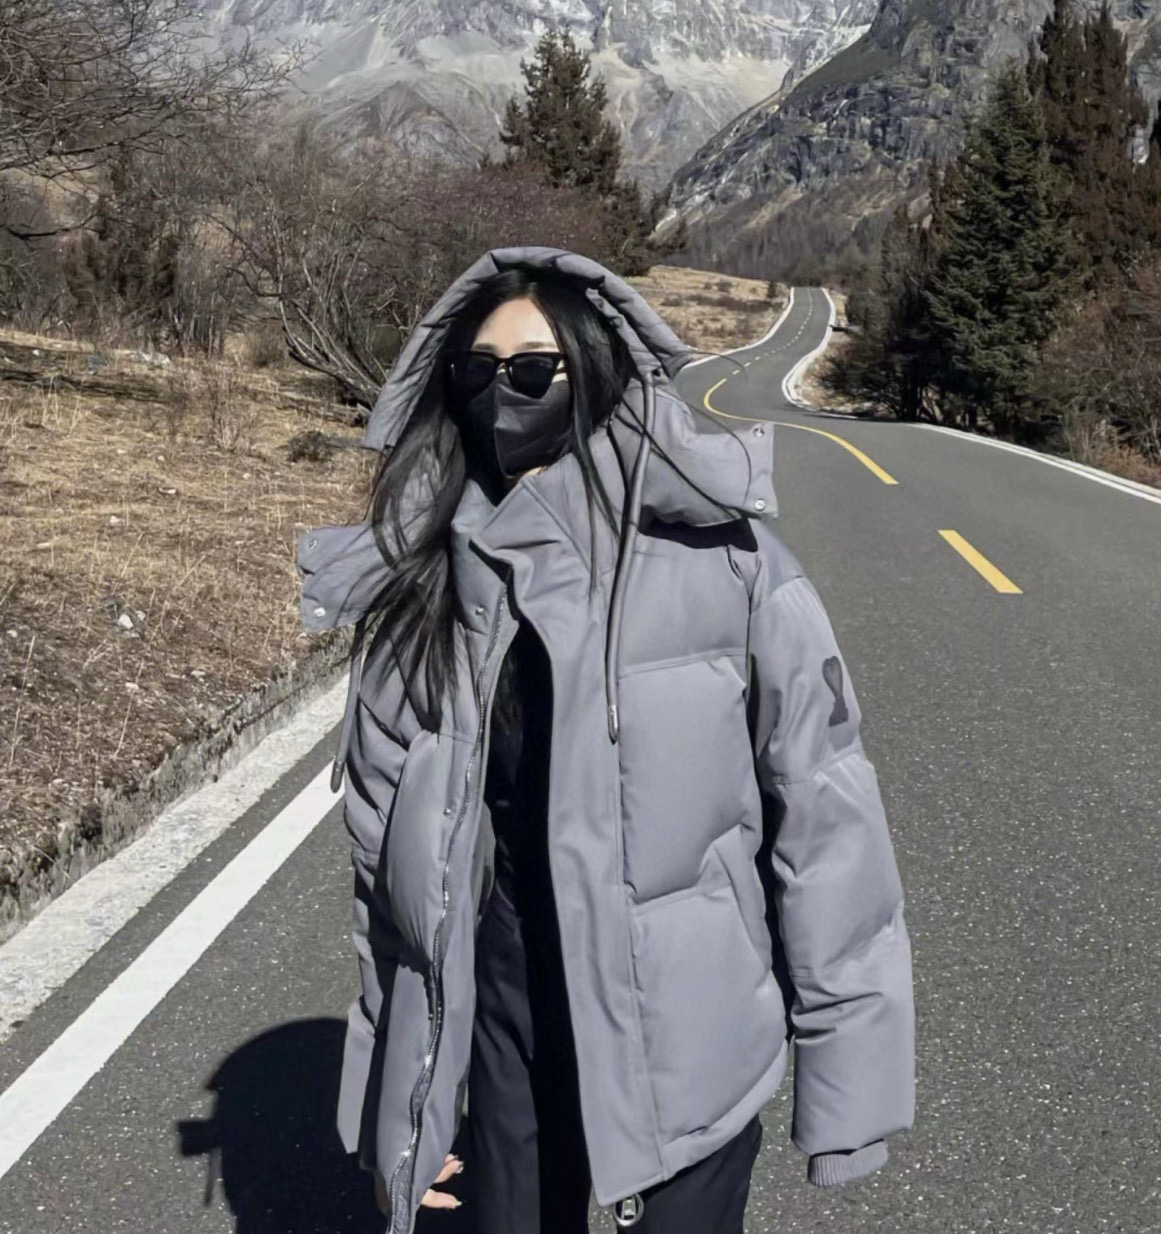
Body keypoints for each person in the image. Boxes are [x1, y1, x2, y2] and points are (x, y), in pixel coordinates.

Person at [298, 247, 915, 1234]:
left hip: (690, 1041)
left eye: (532, 371)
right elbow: (389, 888)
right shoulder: (425, 589)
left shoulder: (730, 566)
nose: (502, 396)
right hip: (509, 1026)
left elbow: (828, 821)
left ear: (594, 374)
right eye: (477, 371)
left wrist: (850, 1080)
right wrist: (399, 1110)